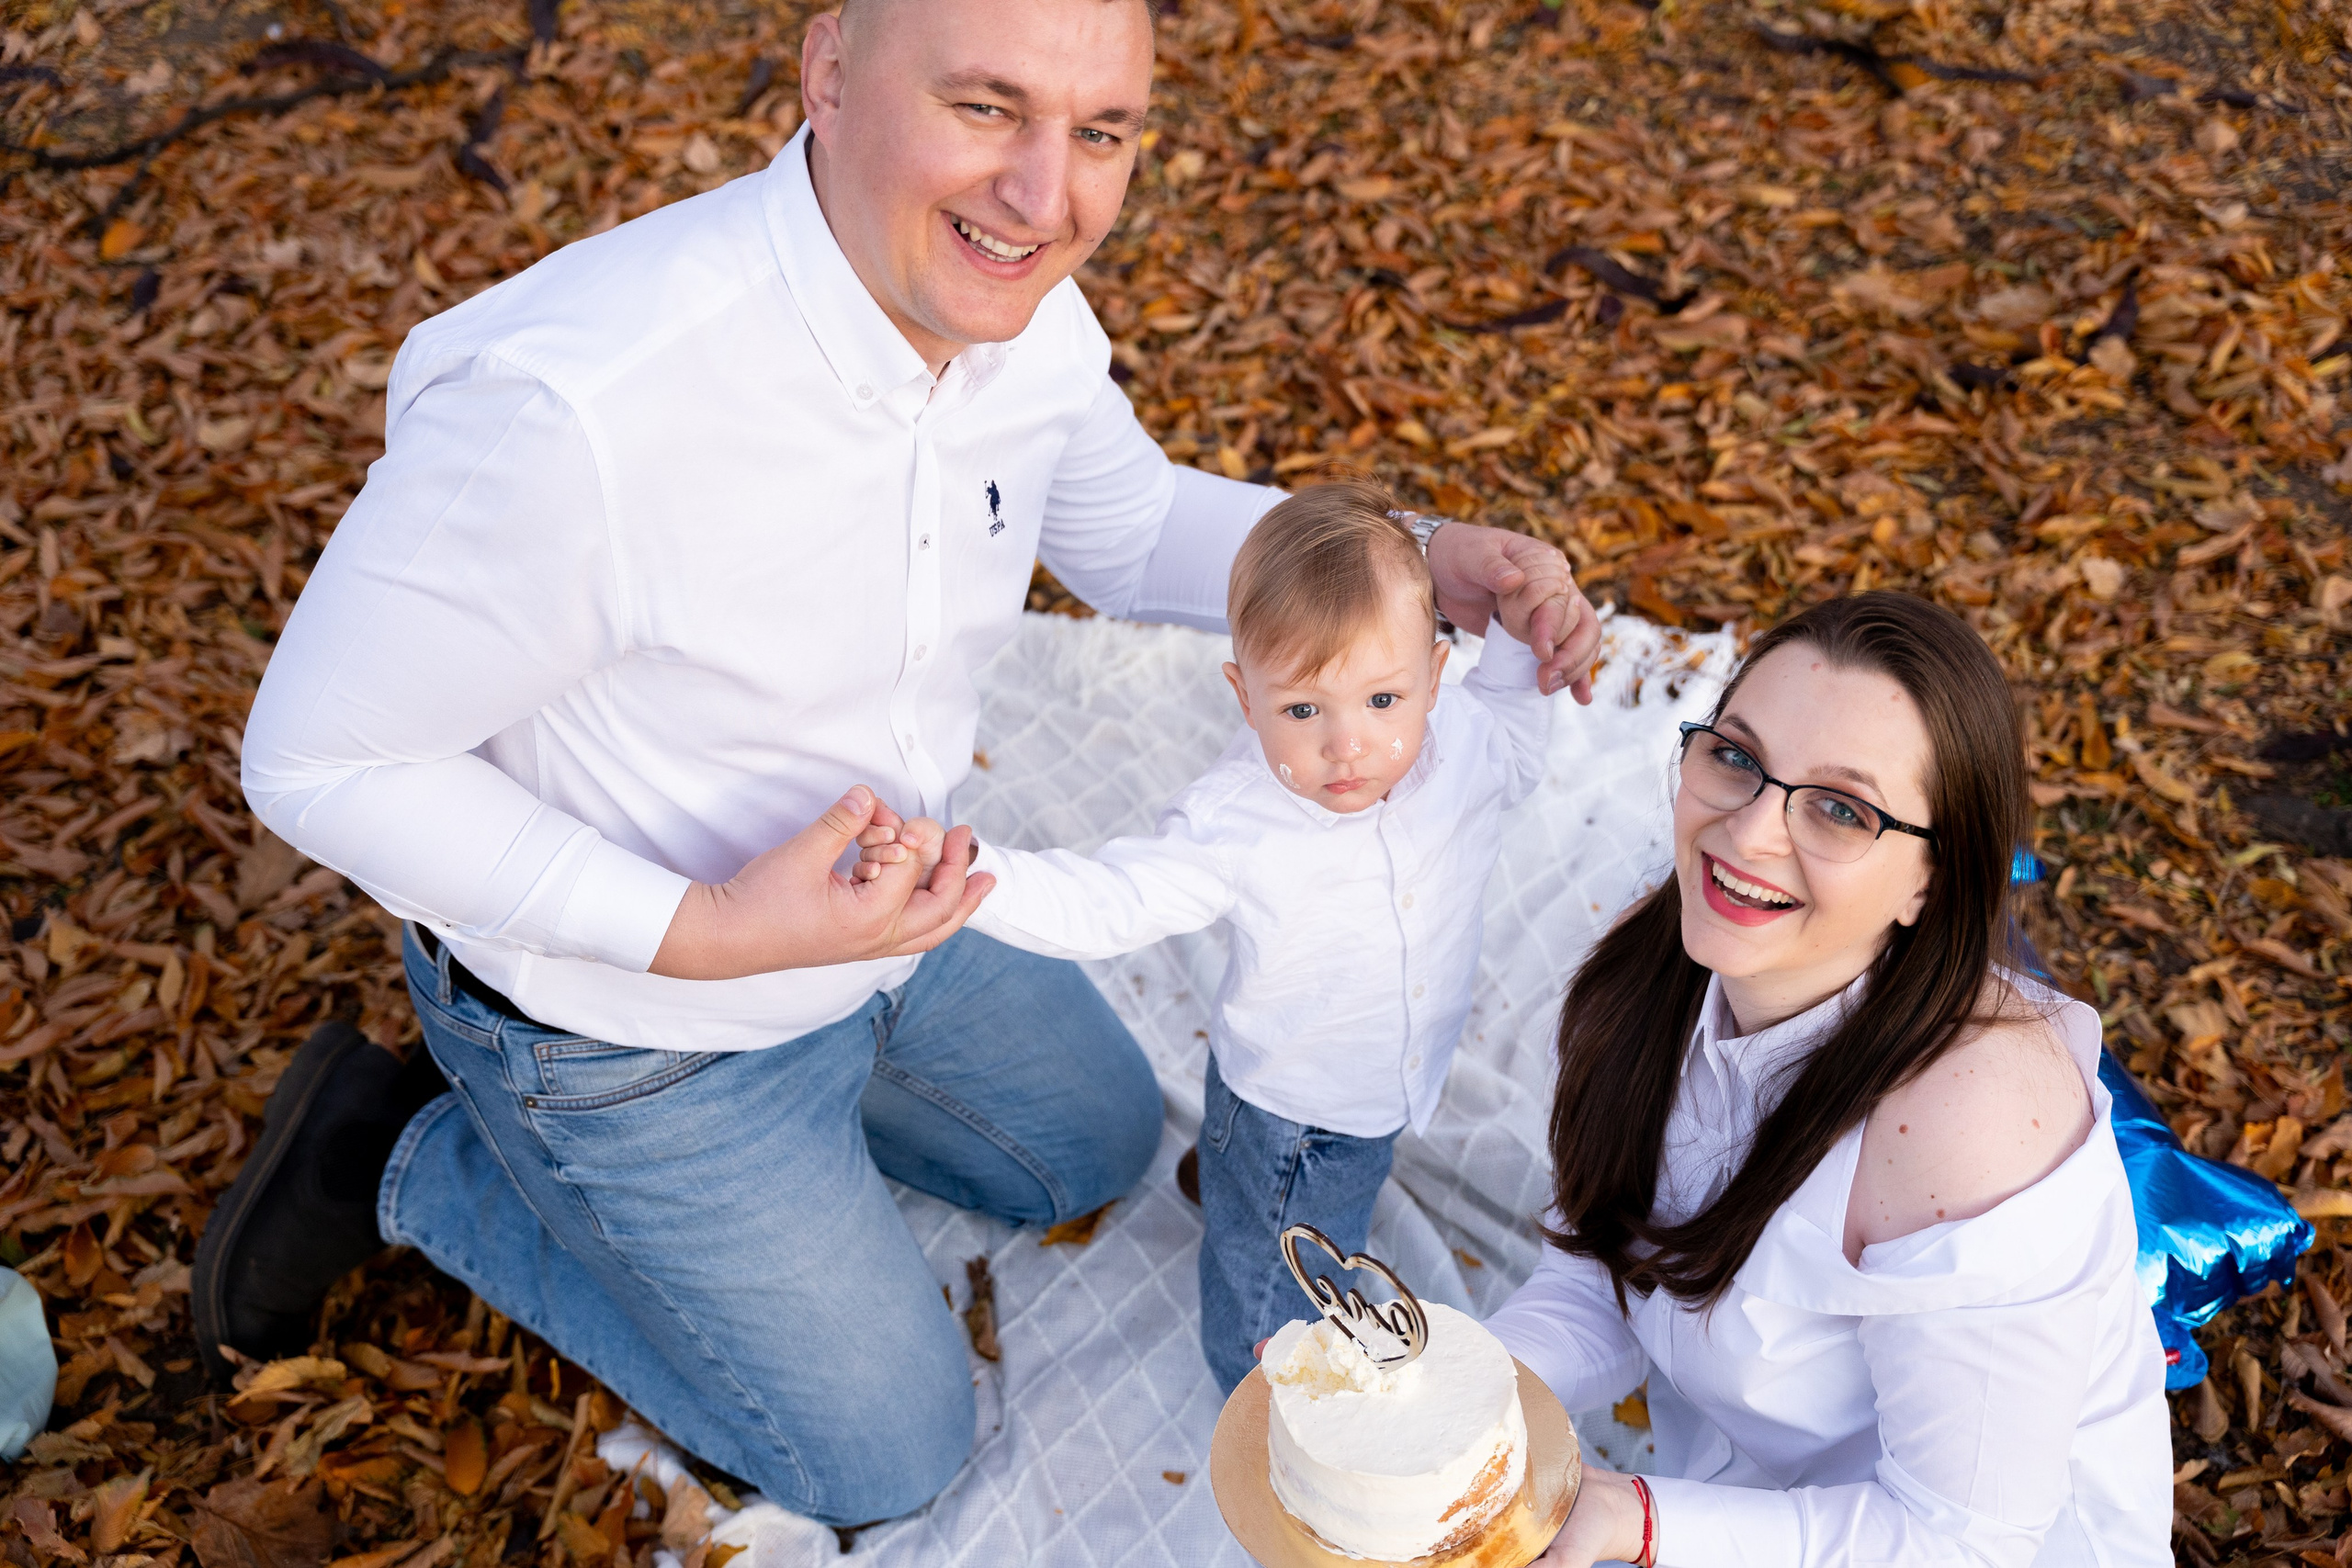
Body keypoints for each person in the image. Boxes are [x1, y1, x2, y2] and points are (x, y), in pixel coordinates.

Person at [206, 0, 1601, 1529]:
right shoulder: (581, 411)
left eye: (1103, 133)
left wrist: (1414, 553)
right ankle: (412, 1153)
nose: (1047, 195)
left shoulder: (1021, 314)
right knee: (886, 1459)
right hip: (638, 1026)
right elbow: (321, 758)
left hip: (899, 924)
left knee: (1099, 1145)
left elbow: (1128, 529)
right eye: (988, 108)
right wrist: (723, 930)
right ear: (828, 71)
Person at [1487, 592, 2171, 1565]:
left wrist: (1641, 1519)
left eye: (1841, 809)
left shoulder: (1968, 1121)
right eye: (1733, 756)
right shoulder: (1657, 969)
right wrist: (1457, 1384)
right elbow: (1605, 1265)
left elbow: (1965, 1545)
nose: (1749, 834)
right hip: (1744, 1509)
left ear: (1934, 880)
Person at [863, 479, 1552, 1392]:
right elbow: (1110, 899)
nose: (1347, 746)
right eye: (1303, 710)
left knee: (1304, 1191)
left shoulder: (1461, 737)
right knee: (1278, 1296)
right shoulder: (1240, 824)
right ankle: (1264, 1400)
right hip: (1296, 1111)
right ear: (1244, 695)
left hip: (1389, 1076)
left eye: (1382, 700)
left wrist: (1516, 629)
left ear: (1432, 672)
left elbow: (1516, 742)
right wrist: (971, 870)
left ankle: (1220, 1182)